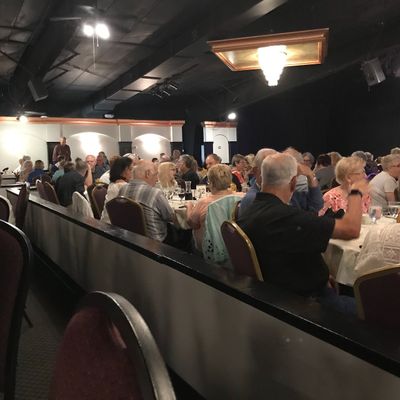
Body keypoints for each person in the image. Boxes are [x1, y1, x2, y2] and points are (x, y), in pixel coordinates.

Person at [238, 152, 368, 314]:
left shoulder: (250, 211)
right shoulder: (287, 218)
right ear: (293, 182)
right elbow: (351, 229)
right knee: (376, 310)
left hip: (271, 296)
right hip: (306, 304)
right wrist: (355, 192)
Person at [119, 160, 175, 242]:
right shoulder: (155, 193)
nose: (157, 179)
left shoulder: (122, 189)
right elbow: (170, 217)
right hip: (154, 243)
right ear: (147, 174)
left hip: (129, 239)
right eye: (156, 174)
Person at [186, 164, 237, 253]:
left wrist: (189, 206)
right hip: (233, 247)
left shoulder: (204, 202)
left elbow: (192, 223)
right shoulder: (240, 197)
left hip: (208, 249)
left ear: (211, 183)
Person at [101, 157, 133, 224]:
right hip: (115, 226)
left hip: (106, 222)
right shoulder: (123, 186)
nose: (132, 173)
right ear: (124, 170)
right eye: (131, 169)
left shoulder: (113, 184)